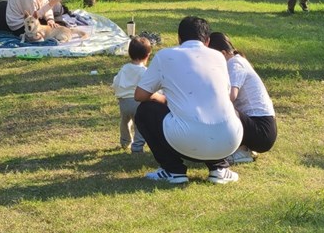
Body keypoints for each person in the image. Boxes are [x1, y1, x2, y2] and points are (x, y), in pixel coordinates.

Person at [133, 16, 243, 184]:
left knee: (145, 110)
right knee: (220, 107)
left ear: (179, 38)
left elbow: (140, 95)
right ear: (207, 41)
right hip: (229, 140)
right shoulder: (219, 57)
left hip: (185, 141)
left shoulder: (165, 55)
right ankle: (219, 168)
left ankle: (172, 170)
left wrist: (162, 98)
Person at [208, 32, 277, 164]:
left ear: (222, 54)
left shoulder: (235, 63)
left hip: (262, 129)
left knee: (221, 107)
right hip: (260, 126)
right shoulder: (236, 61)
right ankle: (242, 147)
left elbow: (231, 96)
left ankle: (242, 150)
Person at [112, 36, 152, 152]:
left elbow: (116, 82)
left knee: (125, 122)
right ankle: (137, 147)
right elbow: (149, 87)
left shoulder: (124, 68)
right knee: (139, 125)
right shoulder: (144, 71)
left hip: (123, 102)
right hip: (138, 103)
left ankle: (125, 141)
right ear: (147, 55)